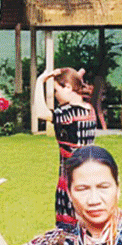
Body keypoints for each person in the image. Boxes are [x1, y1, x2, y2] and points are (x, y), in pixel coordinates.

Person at [35, 68, 102, 226]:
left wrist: (40, 81)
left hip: (70, 180)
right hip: (90, 176)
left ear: (68, 88)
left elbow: (41, 113)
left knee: (68, 231)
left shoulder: (68, 113)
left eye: (56, 90)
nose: (55, 95)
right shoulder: (89, 110)